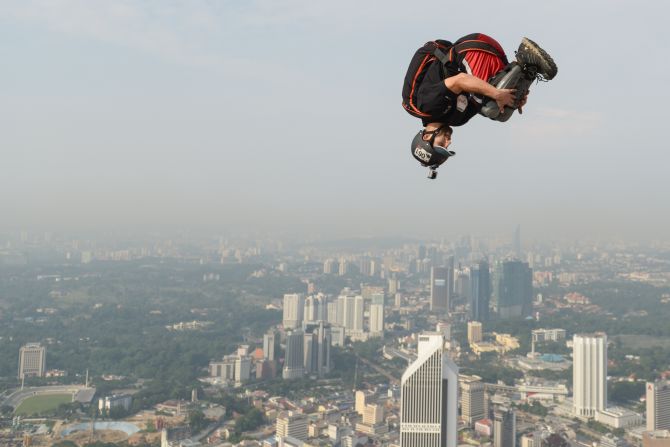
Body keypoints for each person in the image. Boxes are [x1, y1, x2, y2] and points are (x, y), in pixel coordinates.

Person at [403, 33, 556, 177]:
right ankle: (530, 69)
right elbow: (482, 100)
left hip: (471, 50)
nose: (449, 142)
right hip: (488, 55)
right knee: (500, 113)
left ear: (427, 136)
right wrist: (515, 100)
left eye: (442, 144)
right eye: (447, 146)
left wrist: (497, 94)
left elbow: (461, 80)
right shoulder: (457, 119)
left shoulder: (426, 106)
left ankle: (525, 57)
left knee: (491, 106)